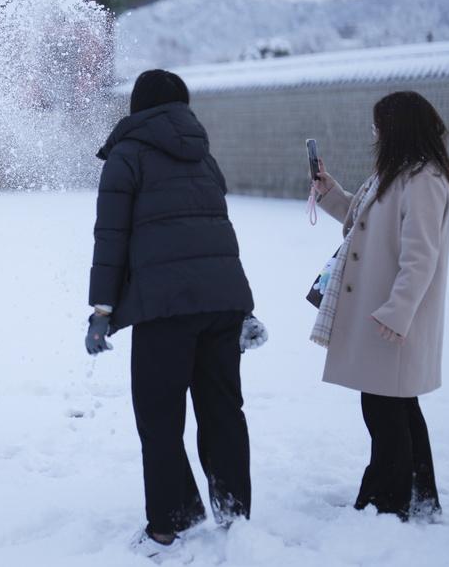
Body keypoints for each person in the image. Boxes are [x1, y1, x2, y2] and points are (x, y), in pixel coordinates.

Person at [85, 69, 263, 559]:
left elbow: (111, 238)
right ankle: (234, 516)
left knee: (160, 418)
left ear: (137, 108)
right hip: (221, 303)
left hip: (165, 309)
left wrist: (102, 309)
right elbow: (219, 233)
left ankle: (168, 524)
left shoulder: (126, 155)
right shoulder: (202, 157)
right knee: (224, 411)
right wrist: (242, 304)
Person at [311, 90, 449, 520]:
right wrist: (331, 192)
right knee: (396, 407)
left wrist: (398, 312)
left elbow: (421, 257)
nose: (374, 133)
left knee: (385, 410)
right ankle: (417, 497)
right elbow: (364, 220)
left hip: (392, 319)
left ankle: (389, 501)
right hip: (381, 315)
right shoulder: (396, 174)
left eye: (379, 125)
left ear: (398, 128)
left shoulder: (424, 181)